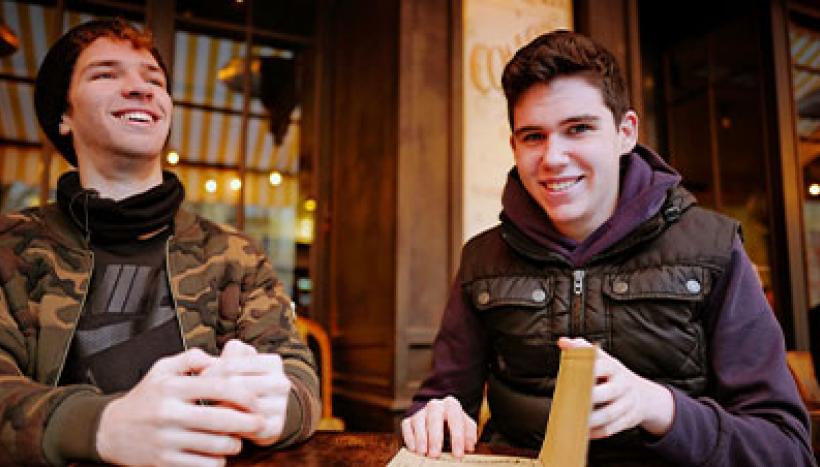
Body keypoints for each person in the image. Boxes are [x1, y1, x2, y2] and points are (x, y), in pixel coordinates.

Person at [402, 30, 816, 466]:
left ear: (625, 133)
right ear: (514, 147)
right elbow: (441, 400)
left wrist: (661, 408)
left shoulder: (715, 247)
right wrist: (436, 415)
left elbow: (786, 449)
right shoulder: (481, 258)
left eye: (578, 129)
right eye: (533, 137)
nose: (553, 158)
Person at [0, 18, 320, 466]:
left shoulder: (234, 252)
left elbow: (296, 374)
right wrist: (101, 426)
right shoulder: (11, 245)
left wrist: (280, 409)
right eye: (106, 73)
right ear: (64, 116)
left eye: (154, 79)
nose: (141, 88)